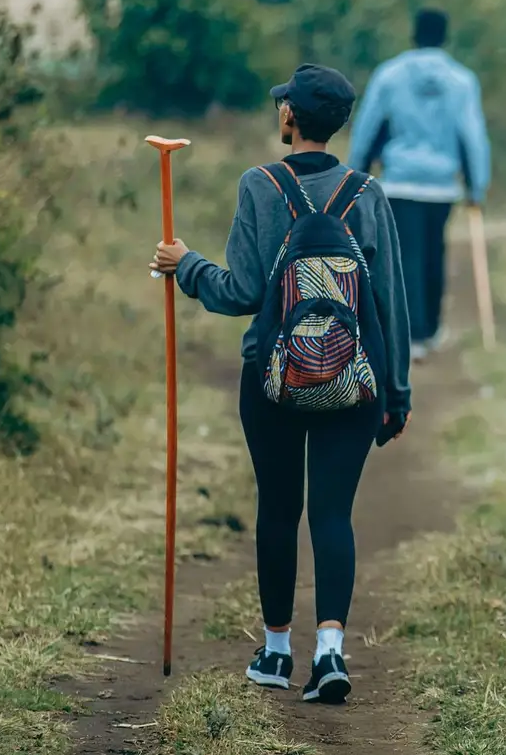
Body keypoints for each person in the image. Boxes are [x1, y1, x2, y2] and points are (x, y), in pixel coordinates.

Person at [149, 63, 412, 705]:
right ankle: (329, 654)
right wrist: (396, 391)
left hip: (270, 378)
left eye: (282, 106)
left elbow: (241, 292)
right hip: (355, 381)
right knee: (331, 513)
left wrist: (185, 266)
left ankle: (273, 653)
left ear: (289, 117)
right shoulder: (367, 194)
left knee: (277, 506)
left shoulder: (259, 187)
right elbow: (390, 303)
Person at [347, 8, 490, 362]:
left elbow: (369, 127)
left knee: (404, 255)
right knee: (433, 251)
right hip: (442, 186)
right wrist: (476, 186)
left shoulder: (390, 75)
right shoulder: (462, 80)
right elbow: (472, 136)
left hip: (400, 182)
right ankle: (430, 328)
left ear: (414, 34)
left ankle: (411, 337)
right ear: (444, 36)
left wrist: (355, 173)